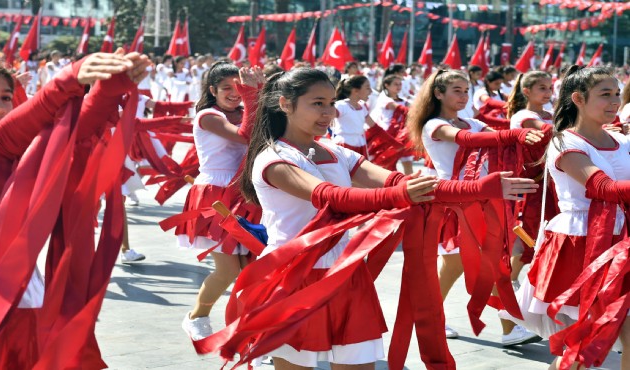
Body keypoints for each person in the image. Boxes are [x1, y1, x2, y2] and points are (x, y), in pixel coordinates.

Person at [192, 67, 538, 370]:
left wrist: (475, 189)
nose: (328, 113)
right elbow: (331, 198)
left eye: (330, 103)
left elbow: (397, 180)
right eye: (317, 104)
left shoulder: (335, 151)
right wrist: (400, 196)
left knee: (359, 364)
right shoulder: (273, 159)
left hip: (346, 275)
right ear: (285, 104)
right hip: (294, 279)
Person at [0, 50, 150, 369]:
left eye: (6, 96)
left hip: (25, 307)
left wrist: (107, 91)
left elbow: (72, 136)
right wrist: (63, 83)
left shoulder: (17, 157)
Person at [505, 66, 630, 370]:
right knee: (583, 341)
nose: (615, 101)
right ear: (578, 98)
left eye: (617, 93)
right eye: (605, 94)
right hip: (583, 244)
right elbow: (603, 188)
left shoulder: (623, 142)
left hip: (621, 241)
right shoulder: (565, 143)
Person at [408, 69, 544, 346]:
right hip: (453, 202)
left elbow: (497, 136)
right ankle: (428, 318)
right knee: (454, 265)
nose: (463, 95)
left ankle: (509, 328)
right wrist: (516, 134)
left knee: (490, 263)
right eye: (456, 90)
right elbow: (469, 140)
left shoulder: (470, 121)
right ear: (438, 93)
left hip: (481, 201)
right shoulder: (433, 125)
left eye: (466, 90)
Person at [176, 62, 263, 340]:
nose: (235, 93)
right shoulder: (207, 116)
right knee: (227, 271)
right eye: (227, 88)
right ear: (212, 90)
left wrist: (261, 91)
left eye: (239, 87)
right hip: (215, 196)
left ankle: (249, 331)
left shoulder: (244, 110)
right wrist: (252, 96)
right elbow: (246, 135)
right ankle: (196, 316)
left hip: (246, 193)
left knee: (252, 271)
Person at [506, 71, 555, 286]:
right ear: (527, 91)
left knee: (549, 231)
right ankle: (510, 279)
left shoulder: (551, 113)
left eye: (550, 87)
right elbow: (549, 131)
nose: (548, 92)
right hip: (532, 184)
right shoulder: (522, 116)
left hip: (552, 183)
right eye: (542, 88)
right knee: (530, 231)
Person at [369, 74, 413, 174]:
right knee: (387, 165)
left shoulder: (403, 100)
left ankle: (409, 186)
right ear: (387, 85)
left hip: (403, 136)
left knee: (407, 162)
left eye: (400, 84)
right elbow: (401, 109)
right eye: (395, 84)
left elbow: (411, 107)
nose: (398, 86)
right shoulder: (384, 99)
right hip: (388, 136)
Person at [332, 75, 376, 157]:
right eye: (367, 88)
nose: (371, 91)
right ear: (356, 91)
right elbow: (324, 119)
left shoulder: (362, 106)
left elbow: (375, 129)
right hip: (344, 146)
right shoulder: (341, 106)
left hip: (360, 145)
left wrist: (394, 143)